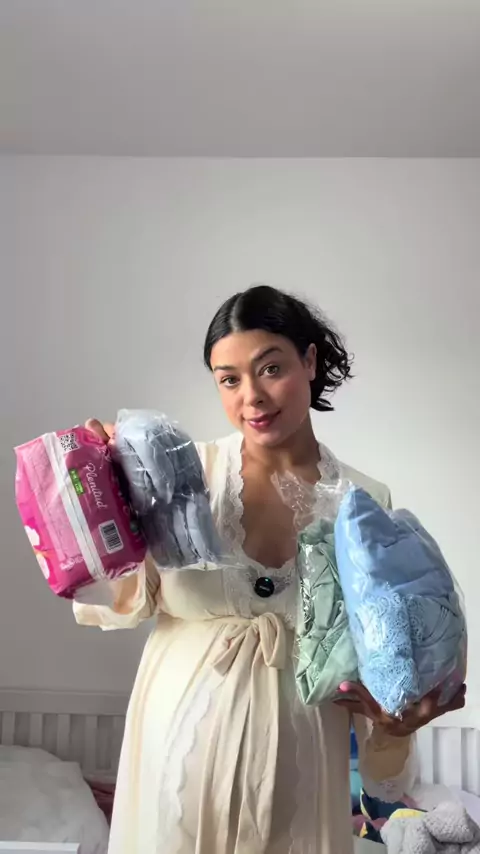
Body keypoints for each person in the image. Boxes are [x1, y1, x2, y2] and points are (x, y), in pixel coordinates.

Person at [77, 285, 465, 854]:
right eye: (229, 379)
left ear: (309, 361)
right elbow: (119, 597)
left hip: (299, 785)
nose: (251, 397)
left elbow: (379, 663)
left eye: (271, 368)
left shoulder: (364, 502)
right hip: (173, 772)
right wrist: (98, 495)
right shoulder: (181, 476)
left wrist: (396, 720)